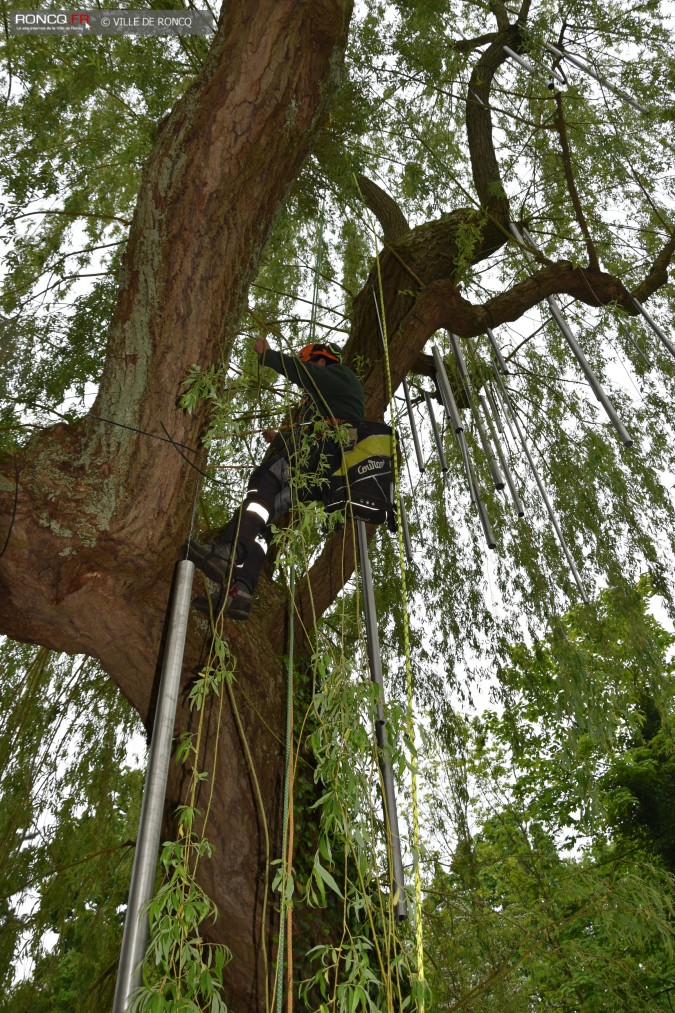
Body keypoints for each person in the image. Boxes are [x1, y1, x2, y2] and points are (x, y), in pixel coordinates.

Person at [187, 337, 365, 620]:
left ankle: (228, 553)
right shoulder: (332, 400)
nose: (308, 366)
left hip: (315, 458)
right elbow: (315, 428)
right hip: (318, 474)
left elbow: (304, 374)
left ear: (321, 359)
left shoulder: (339, 376)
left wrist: (267, 355)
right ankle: (241, 590)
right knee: (264, 520)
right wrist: (280, 438)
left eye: (310, 361)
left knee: (264, 483)